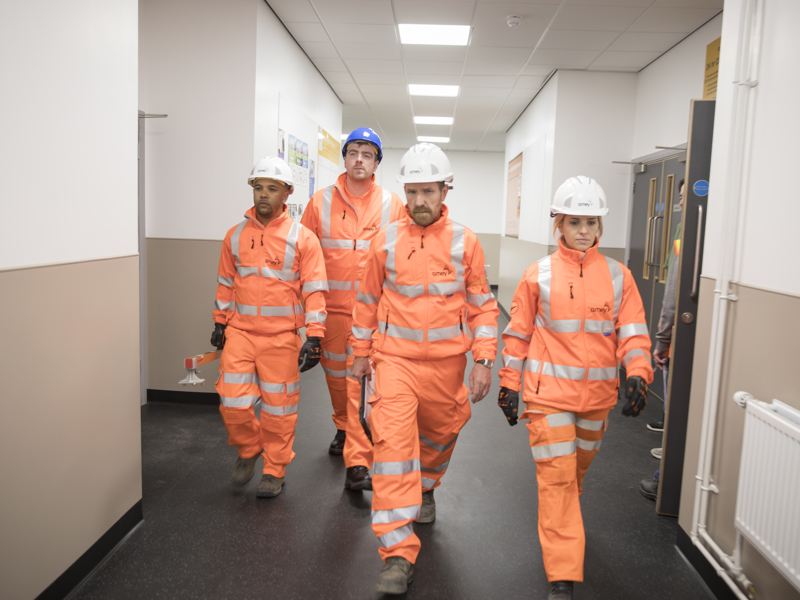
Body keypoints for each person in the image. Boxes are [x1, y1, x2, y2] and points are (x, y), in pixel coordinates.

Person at [350, 143, 500, 594]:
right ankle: (396, 553)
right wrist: (360, 353)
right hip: (394, 361)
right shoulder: (386, 240)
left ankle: (429, 484)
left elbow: (482, 305)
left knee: (438, 437)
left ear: (444, 190)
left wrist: (484, 359)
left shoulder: (465, 241)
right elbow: (367, 301)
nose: (418, 202)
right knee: (394, 451)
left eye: (428, 192)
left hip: (448, 367)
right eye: (412, 192)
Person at [497, 176, 654, 600]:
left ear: (599, 228)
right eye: (573, 221)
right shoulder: (538, 275)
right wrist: (509, 384)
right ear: (559, 226)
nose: (582, 230)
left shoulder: (619, 277)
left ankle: (561, 523)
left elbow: (634, 332)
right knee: (558, 479)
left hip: (597, 399)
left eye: (590, 221)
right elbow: (517, 334)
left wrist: (638, 371)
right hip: (548, 397)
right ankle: (562, 575)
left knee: (575, 474)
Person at [211, 156, 328, 498]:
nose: (263, 195)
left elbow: (315, 290)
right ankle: (248, 448)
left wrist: (316, 336)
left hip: (281, 339)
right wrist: (220, 322)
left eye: (272, 188)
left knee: (279, 410)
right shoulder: (234, 237)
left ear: (287, 193)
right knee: (232, 402)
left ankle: (274, 471)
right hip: (241, 334)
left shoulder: (302, 239)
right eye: (258, 187)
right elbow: (225, 283)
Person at [302, 127, 404, 490]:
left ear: (377, 162)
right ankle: (344, 428)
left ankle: (359, 446)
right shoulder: (319, 203)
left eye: (367, 153)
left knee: (364, 380)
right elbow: (304, 256)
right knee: (336, 380)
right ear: (344, 158)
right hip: (331, 312)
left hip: (374, 316)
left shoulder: (393, 203)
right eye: (353, 152)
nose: (359, 159)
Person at [641, 179, 684, 499]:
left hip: (681, 333)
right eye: (678, 197)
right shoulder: (687, 227)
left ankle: (666, 478)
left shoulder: (686, 230)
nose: (680, 204)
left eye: (682, 198)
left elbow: (672, 291)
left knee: (679, 408)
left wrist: (663, 338)